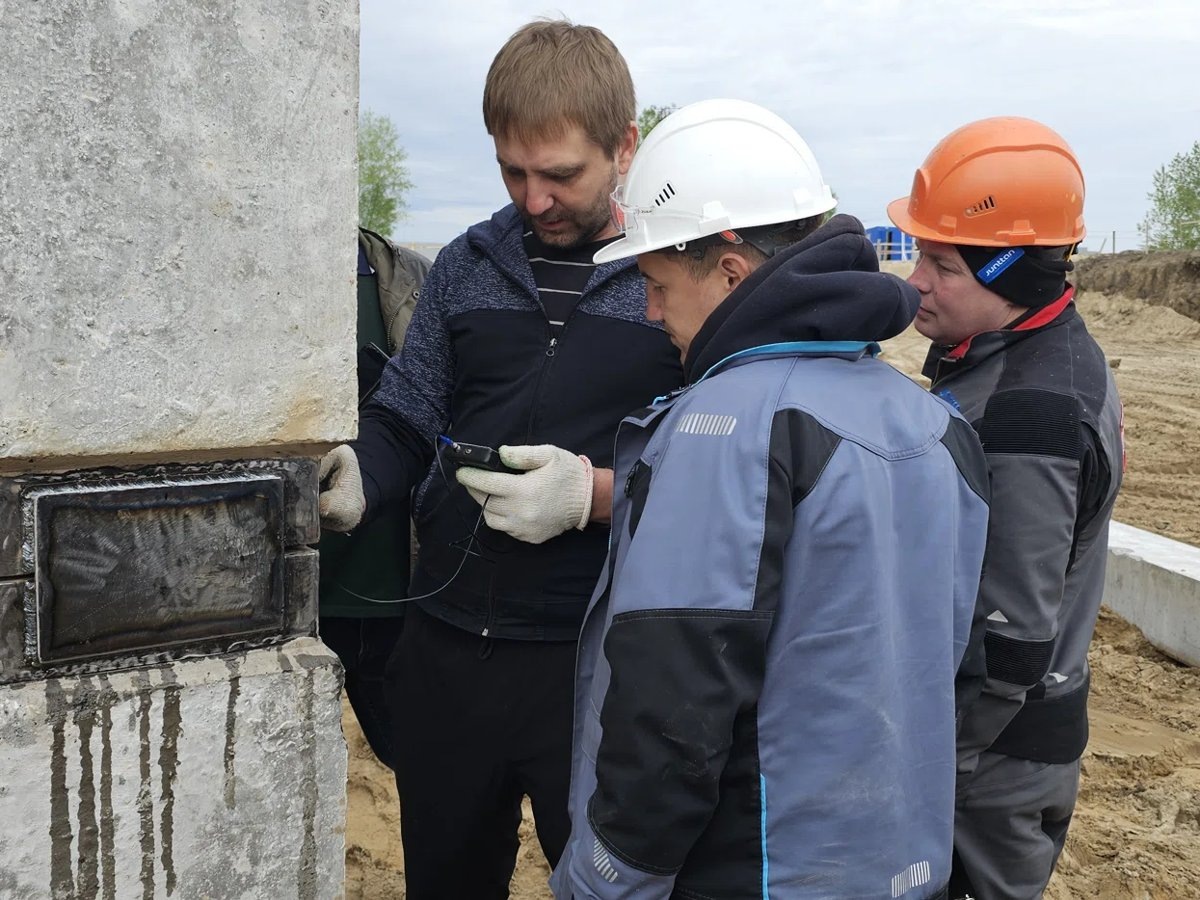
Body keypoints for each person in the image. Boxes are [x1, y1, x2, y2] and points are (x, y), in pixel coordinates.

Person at [549, 98, 990, 900]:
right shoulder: (936, 425)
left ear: (728, 269)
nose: (649, 312)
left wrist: (603, 881)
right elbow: (957, 673)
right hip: (897, 866)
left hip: (753, 871)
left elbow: (670, 709)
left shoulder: (726, 432)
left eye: (653, 282)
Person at [317, 19, 682, 900]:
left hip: (596, 665)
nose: (535, 198)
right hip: (446, 655)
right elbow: (410, 412)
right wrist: (363, 470)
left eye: (561, 174)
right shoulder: (467, 268)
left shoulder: (673, 279)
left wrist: (596, 496)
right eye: (512, 171)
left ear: (624, 147)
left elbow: (727, 469)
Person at [888, 116, 1124, 900]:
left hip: (991, 764)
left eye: (941, 263)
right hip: (1003, 749)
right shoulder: (1022, 357)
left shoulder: (1033, 413)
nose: (916, 279)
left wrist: (923, 763)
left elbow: (1011, 641)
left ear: (1014, 274)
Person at [316, 228, 428, 771]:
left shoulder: (417, 280)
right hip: (296, 614)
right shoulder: (235, 286)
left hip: (398, 606)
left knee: (426, 778)